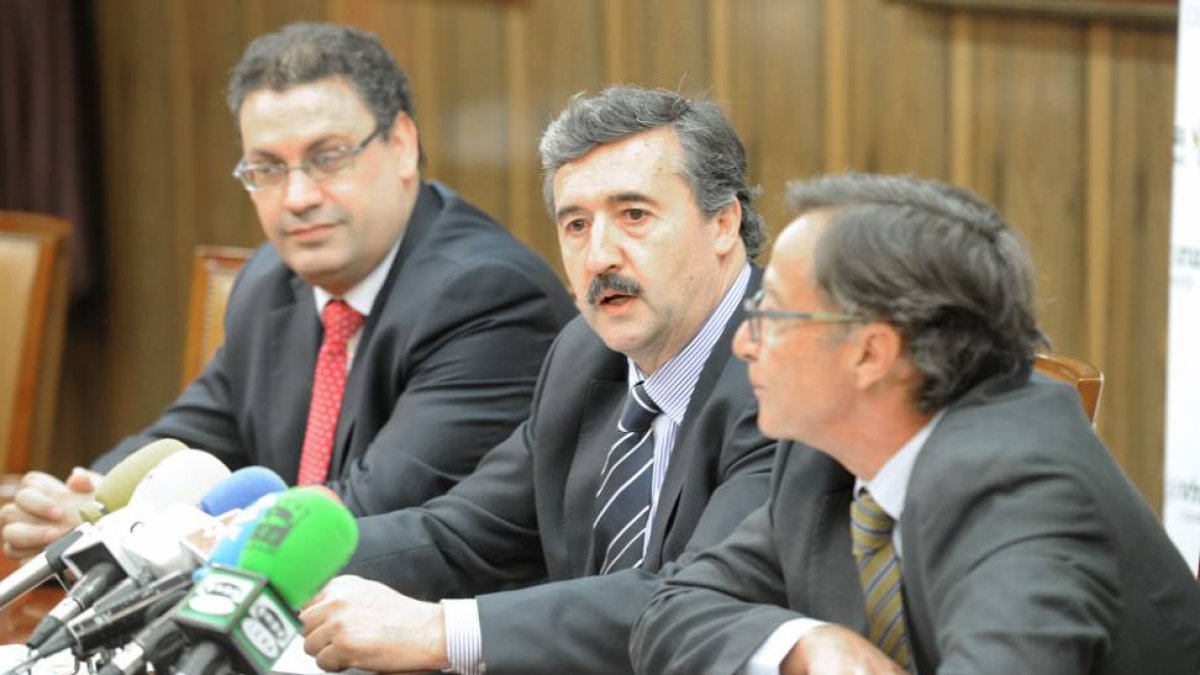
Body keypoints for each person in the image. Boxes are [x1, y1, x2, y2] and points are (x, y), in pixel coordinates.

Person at [0, 22, 575, 559]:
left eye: (327, 158)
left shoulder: (488, 298)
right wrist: (89, 502)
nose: (296, 197)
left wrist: (128, 529)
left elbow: (362, 511)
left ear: (401, 145)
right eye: (267, 168)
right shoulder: (272, 280)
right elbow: (192, 435)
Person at [630, 172, 1200, 675]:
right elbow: (672, 611)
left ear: (870, 354)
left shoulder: (1026, 492)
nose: (743, 343)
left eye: (771, 314)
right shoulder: (824, 449)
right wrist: (804, 645)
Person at [296, 86, 778, 675]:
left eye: (634, 216)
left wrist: (441, 631)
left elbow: (698, 599)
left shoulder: (784, 370)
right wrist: (277, 560)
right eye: (575, 224)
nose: (599, 256)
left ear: (723, 221)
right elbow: (466, 533)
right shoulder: (584, 355)